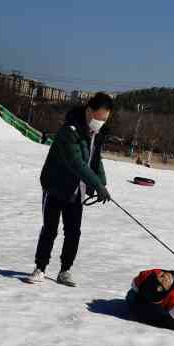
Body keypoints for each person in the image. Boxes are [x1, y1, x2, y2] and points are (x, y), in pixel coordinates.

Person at [26, 92, 113, 287]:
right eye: (100, 118)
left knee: (74, 232)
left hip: (76, 190)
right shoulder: (69, 131)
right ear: (89, 111)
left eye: (105, 119)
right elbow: (77, 163)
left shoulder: (96, 134)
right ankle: (40, 268)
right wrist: (97, 185)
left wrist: (102, 182)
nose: (101, 122)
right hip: (56, 185)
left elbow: (95, 160)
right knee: (50, 229)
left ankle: (65, 270)